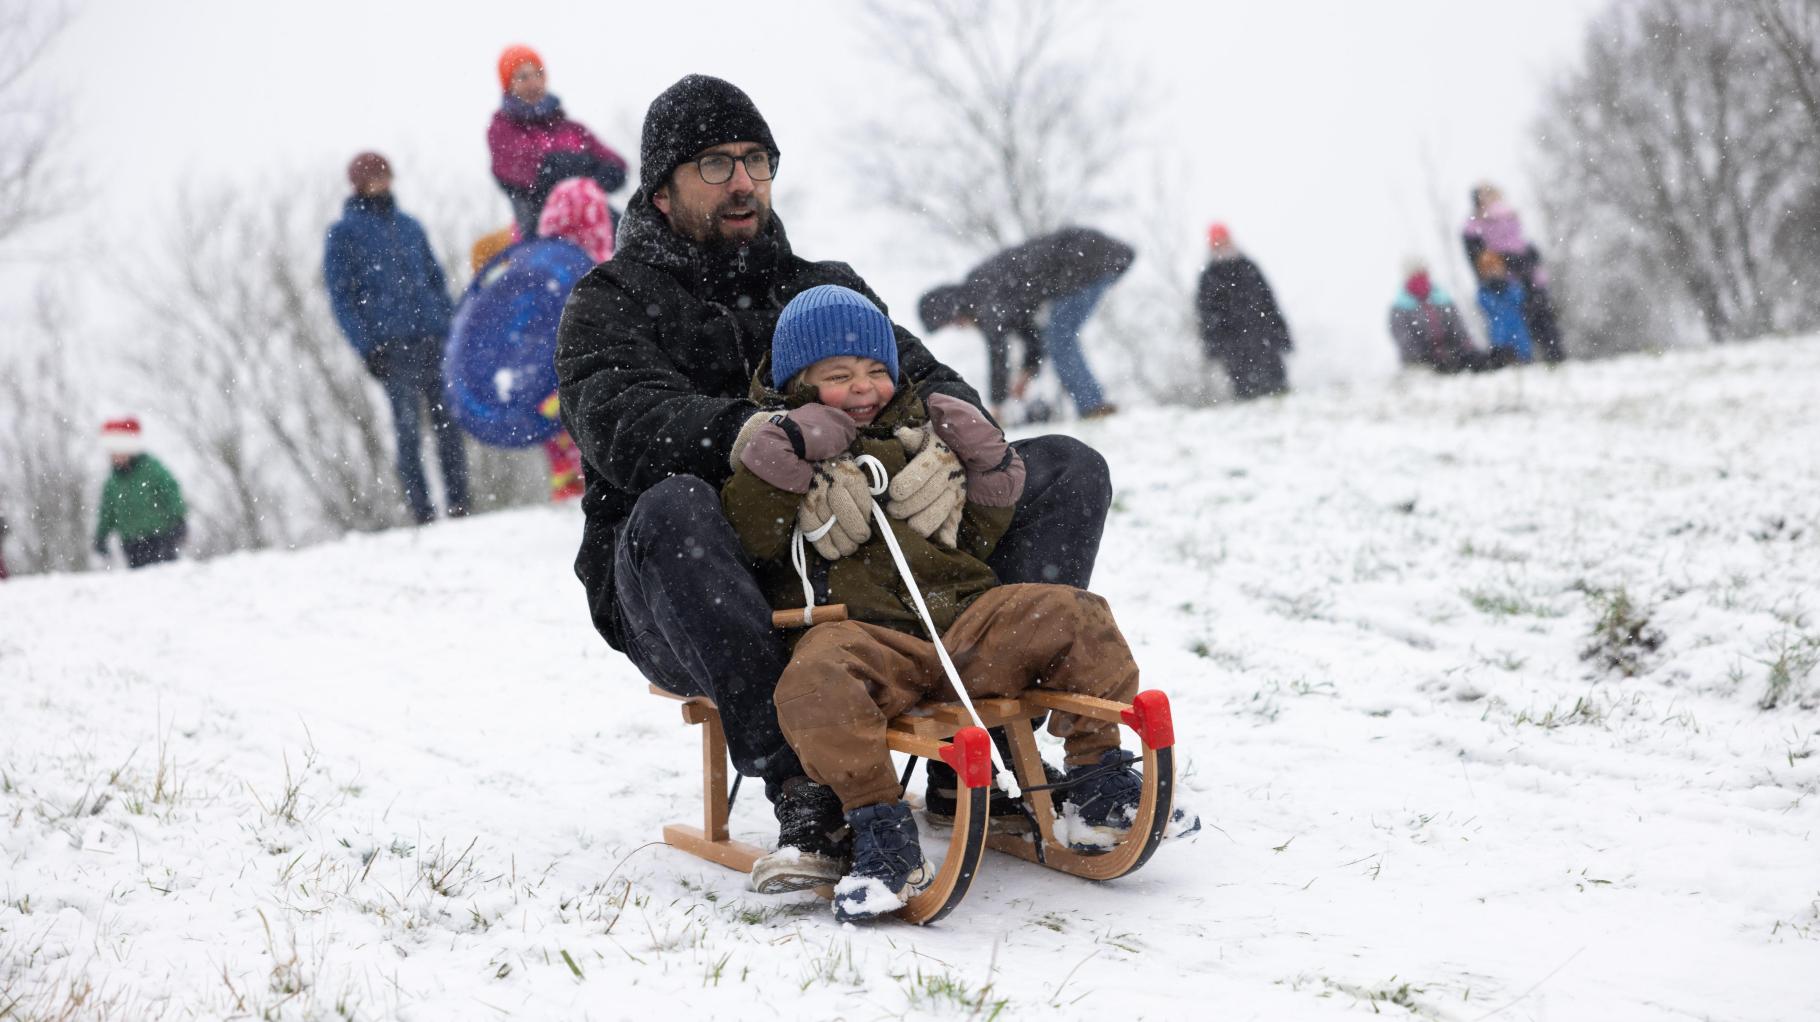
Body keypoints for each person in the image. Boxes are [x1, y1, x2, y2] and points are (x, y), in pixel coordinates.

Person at [554, 74, 1113, 892]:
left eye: (756, 160)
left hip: (877, 580)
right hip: (709, 583)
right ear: (663, 190)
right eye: (714, 163)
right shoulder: (610, 303)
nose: (743, 180)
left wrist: (952, 434)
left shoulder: (824, 289)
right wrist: (757, 439)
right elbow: (622, 424)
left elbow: (928, 373)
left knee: (1065, 465)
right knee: (671, 506)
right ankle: (804, 790)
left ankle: (981, 730)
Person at [720, 285, 1196, 921]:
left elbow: (970, 544)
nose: (863, 388)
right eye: (839, 376)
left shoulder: (923, 443)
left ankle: (1095, 780)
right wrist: (780, 464)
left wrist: (989, 473)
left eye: (876, 372)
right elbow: (754, 541)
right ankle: (878, 827)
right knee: (813, 682)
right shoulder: (775, 448)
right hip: (863, 637)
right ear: (798, 383)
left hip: (963, 623)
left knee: (1075, 613)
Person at [324, 151, 471, 525]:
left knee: (448, 426)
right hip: (391, 346)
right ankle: (421, 510)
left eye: (384, 176)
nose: (380, 183)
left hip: (433, 339)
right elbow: (342, 297)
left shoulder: (410, 227)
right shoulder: (344, 234)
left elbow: (435, 278)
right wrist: (367, 346)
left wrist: (450, 325)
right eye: (372, 178)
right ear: (358, 184)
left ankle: (460, 503)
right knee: (407, 430)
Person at [918, 227, 1130, 421]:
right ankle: (1091, 405)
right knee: (1058, 334)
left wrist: (996, 406)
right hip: (1090, 257)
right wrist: (1028, 372)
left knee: (1060, 335)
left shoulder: (981, 293)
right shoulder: (991, 295)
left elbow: (997, 350)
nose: (959, 327)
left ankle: (1093, 407)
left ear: (953, 309)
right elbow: (1032, 336)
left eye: (952, 322)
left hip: (1085, 256)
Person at [488, 45, 629, 237]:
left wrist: (580, 172)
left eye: (538, 74)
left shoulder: (571, 128)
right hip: (539, 233)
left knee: (636, 242)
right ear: (508, 84)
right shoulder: (503, 129)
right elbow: (534, 172)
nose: (533, 83)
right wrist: (586, 168)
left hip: (595, 224)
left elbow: (616, 166)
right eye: (522, 77)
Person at [534, 176, 615, 501]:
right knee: (581, 427)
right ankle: (577, 481)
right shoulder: (607, 269)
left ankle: (572, 482)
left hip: (560, 372)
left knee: (567, 427)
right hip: (584, 375)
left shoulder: (545, 272)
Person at [1462, 184, 1563, 363]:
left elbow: (1521, 243)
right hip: (1501, 282)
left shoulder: (1510, 218)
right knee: (1507, 323)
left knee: (1541, 318)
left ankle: (1553, 355)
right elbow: (1482, 259)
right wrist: (1506, 263)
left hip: (1526, 276)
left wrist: (1527, 257)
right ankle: (1514, 358)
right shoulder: (1476, 228)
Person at [1196, 223, 1293, 400]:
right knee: (1247, 392)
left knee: (1278, 388)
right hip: (1234, 348)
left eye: (1224, 241)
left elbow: (1269, 302)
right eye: (1217, 243)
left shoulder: (1248, 267)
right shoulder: (1209, 277)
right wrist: (1213, 345)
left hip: (1263, 339)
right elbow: (1206, 315)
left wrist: (1282, 334)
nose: (1222, 246)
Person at [93, 418, 188, 569]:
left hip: (159, 537)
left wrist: (178, 519)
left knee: (166, 576)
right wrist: (101, 536)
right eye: (113, 452)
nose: (116, 456)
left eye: (119, 450)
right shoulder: (112, 482)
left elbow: (171, 492)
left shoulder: (151, 469)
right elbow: (107, 512)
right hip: (131, 543)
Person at [1389, 261, 1484, 373]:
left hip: (1452, 354)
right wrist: (1428, 357)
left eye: (1422, 273)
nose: (1420, 278)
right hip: (1421, 362)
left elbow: (1459, 329)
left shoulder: (1443, 300)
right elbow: (1406, 341)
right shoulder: (1400, 308)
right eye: (1415, 275)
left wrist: (1467, 349)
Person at [1474, 250, 1533, 367]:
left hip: (1518, 330)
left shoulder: (1512, 286)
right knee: (1501, 357)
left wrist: (1505, 288)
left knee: (1524, 355)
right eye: (1488, 270)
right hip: (1499, 334)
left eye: (1495, 268)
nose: (1493, 272)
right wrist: (1492, 290)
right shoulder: (1484, 291)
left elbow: (1520, 298)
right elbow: (1486, 305)